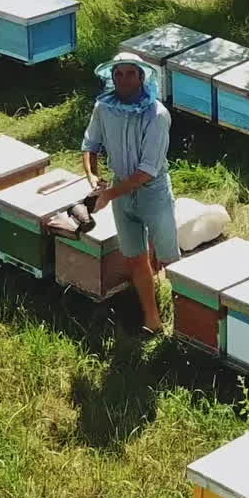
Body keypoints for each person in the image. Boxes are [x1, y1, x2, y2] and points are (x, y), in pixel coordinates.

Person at [81, 53, 180, 333]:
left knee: (170, 258)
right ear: (111, 78)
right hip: (120, 190)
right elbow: (90, 144)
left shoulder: (157, 115)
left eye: (130, 74)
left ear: (142, 76)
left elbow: (148, 170)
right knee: (135, 257)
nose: (124, 80)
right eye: (118, 74)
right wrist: (93, 178)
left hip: (153, 192)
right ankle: (152, 318)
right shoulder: (103, 108)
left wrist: (108, 195)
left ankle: (186, 319)